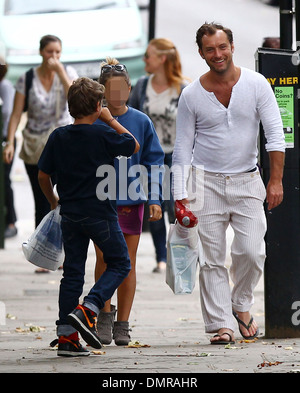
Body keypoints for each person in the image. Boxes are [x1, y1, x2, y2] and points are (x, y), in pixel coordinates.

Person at [172, 23, 285, 345]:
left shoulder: (257, 84)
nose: (217, 55)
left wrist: (275, 181)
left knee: (251, 251)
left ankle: (241, 304)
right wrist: (180, 196)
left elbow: (275, 136)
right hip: (204, 183)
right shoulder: (191, 94)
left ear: (232, 47)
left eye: (222, 47)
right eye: (210, 49)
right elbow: (182, 148)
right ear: (201, 52)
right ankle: (220, 324)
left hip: (248, 180)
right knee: (211, 259)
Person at [38, 77, 140, 357]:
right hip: (101, 214)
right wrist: (109, 120)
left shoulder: (58, 136)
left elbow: (43, 175)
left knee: (72, 273)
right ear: (98, 106)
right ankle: (89, 308)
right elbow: (133, 146)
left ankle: (67, 338)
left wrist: (52, 200)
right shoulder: (103, 133)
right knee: (120, 262)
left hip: (70, 214)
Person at [94, 58, 164, 345]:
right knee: (102, 258)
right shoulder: (92, 119)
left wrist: (155, 198)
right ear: (101, 90)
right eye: (111, 89)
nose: (117, 94)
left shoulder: (141, 121)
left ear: (129, 87)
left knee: (128, 262)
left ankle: (123, 322)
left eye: (121, 88)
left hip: (131, 201)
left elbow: (154, 160)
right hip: (100, 200)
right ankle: (104, 315)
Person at [3, 35, 78, 230]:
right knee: (42, 200)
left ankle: (64, 247)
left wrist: (60, 72)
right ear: (40, 52)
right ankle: (44, 249)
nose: (53, 56)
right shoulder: (27, 78)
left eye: (57, 52)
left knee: (65, 197)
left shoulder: (68, 72)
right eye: (49, 51)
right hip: (35, 146)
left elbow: (76, 100)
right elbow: (16, 114)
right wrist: (10, 142)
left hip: (64, 144)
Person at [129, 38, 190, 273]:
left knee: (176, 208)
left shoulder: (183, 89)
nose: (144, 60)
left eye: (148, 55)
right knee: (154, 205)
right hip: (150, 157)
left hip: (177, 156)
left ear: (162, 58)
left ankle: (180, 256)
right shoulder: (142, 86)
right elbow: (131, 119)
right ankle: (161, 259)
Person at [0, 57, 17, 238]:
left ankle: (11, 221)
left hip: (6, 139)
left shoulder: (5, 86)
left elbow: (7, 112)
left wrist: (9, 142)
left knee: (4, 180)